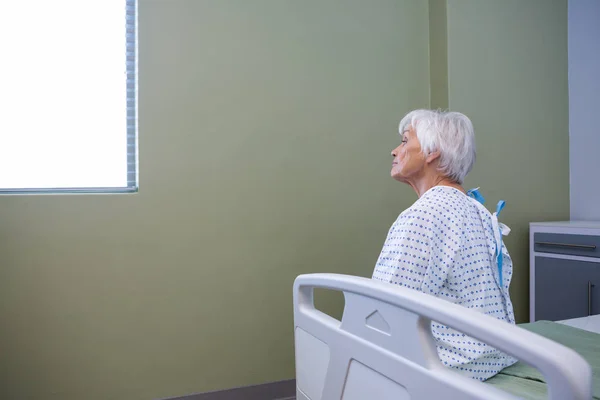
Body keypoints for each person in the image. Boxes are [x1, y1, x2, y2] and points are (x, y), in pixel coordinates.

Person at [372, 109, 517, 380]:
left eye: (404, 141)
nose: (395, 151)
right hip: (494, 356)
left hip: (454, 369)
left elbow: (383, 310)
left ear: (432, 152)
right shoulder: (478, 210)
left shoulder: (424, 214)